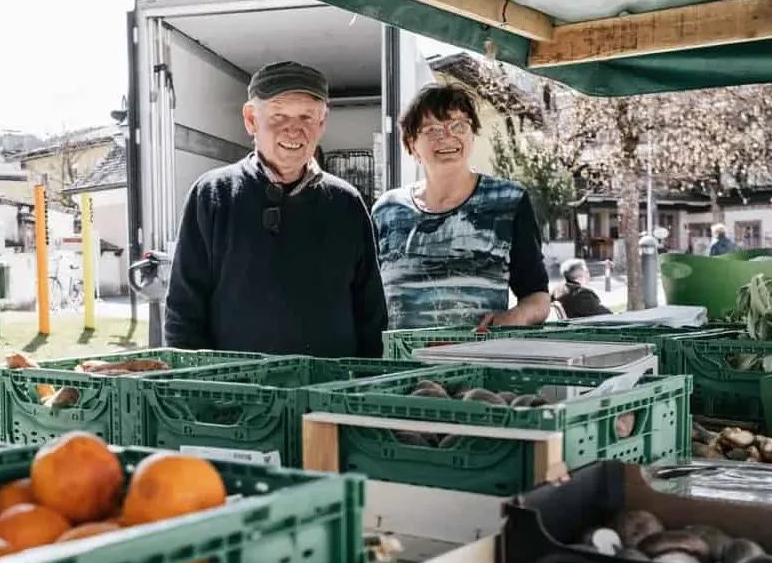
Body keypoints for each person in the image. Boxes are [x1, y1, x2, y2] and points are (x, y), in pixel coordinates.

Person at [165, 61, 387, 356]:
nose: (293, 130)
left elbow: (371, 316)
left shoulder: (347, 203)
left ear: (322, 123)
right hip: (239, 396)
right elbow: (183, 314)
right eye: (278, 115)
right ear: (251, 119)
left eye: (307, 116)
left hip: (331, 396)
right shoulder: (212, 196)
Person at [372, 83, 551, 331]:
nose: (448, 136)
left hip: (477, 363)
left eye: (459, 126)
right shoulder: (386, 210)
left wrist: (515, 317)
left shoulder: (508, 201)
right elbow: (366, 299)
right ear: (412, 144)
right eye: (433, 129)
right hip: (402, 365)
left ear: (472, 135)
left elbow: (538, 297)